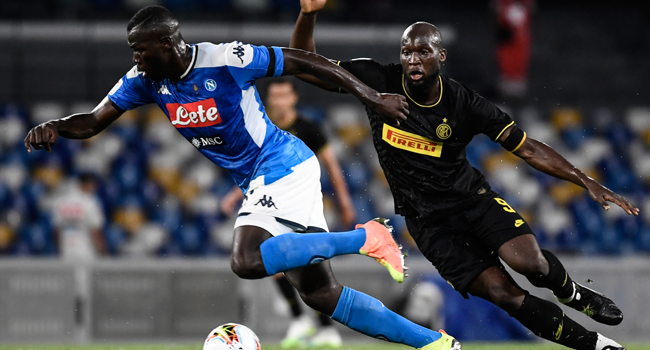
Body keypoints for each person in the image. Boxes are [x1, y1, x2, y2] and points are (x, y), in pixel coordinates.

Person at [23, 5, 460, 350]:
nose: (135, 59)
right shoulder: (145, 81)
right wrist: (57, 126)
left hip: (281, 164)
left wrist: (371, 96)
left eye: (141, 50)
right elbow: (95, 121)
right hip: (266, 178)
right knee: (320, 295)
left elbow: (301, 60)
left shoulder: (225, 58)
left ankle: (366, 239)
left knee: (246, 259)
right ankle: (435, 343)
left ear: (167, 43)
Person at [289, 1, 639, 350]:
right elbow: (305, 67)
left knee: (529, 263)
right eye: (406, 51)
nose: (413, 59)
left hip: (472, 201)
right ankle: (597, 345)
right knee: (507, 296)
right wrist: (309, 14)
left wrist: (585, 179)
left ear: (440, 56)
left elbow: (527, 148)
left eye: (423, 51)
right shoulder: (377, 80)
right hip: (429, 224)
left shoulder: (464, 104)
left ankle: (573, 293)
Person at [220, 78, 354, 348]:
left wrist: (345, 201)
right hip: (272, 206)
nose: (279, 101)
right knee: (274, 262)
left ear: (293, 98)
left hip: (304, 205)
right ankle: (299, 320)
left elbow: (331, 165)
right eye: (274, 96)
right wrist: (235, 196)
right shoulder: (262, 128)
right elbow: (256, 170)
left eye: (284, 95)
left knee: (310, 264)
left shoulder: (309, 127)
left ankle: (326, 328)